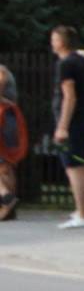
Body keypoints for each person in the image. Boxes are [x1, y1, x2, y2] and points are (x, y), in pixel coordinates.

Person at [48, 27, 84, 228]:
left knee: (73, 168)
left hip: (72, 123)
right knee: (83, 167)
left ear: (62, 42)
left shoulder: (65, 64)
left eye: (54, 39)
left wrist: (62, 127)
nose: (52, 43)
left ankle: (81, 213)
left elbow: (69, 96)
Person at [0, 62, 20, 220]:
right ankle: (9, 207)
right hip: (9, 118)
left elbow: (2, 77)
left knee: (4, 164)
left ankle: (6, 198)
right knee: (7, 165)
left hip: (3, 118)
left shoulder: (1, 71)